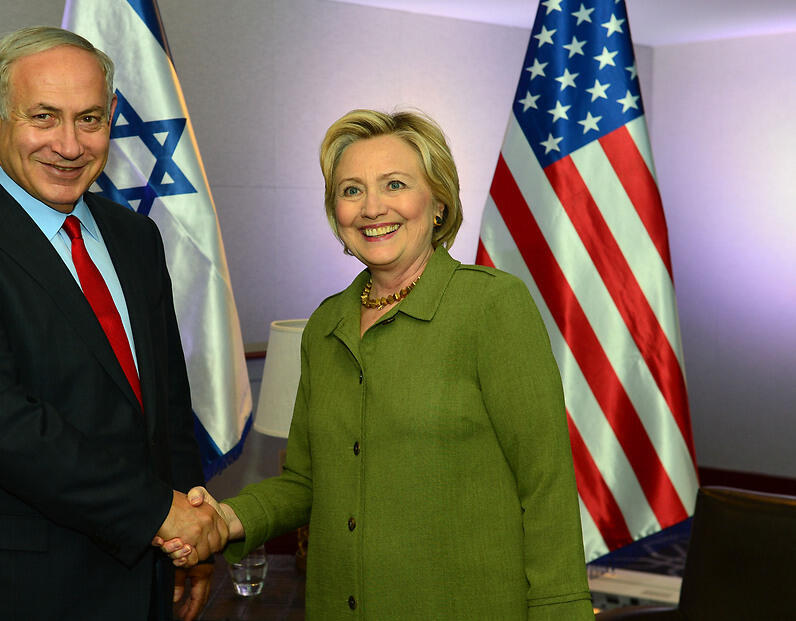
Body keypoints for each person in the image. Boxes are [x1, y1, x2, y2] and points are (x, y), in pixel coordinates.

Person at [160, 109, 595, 619]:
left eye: (394, 184)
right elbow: (305, 482)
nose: (371, 207)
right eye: (350, 190)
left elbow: (545, 485)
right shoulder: (325, 326)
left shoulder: (492, 307)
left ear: (438, 202)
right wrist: (222, 518)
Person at [0, 26, 226, 621]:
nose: (69, 145)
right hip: (2, 590)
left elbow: (165, 398)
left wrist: (186, 538)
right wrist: (158, 514)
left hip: (139, 575)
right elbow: (1, 423)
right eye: (44, 117)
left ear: (112, 116)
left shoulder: (134, 237)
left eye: (89, 119)